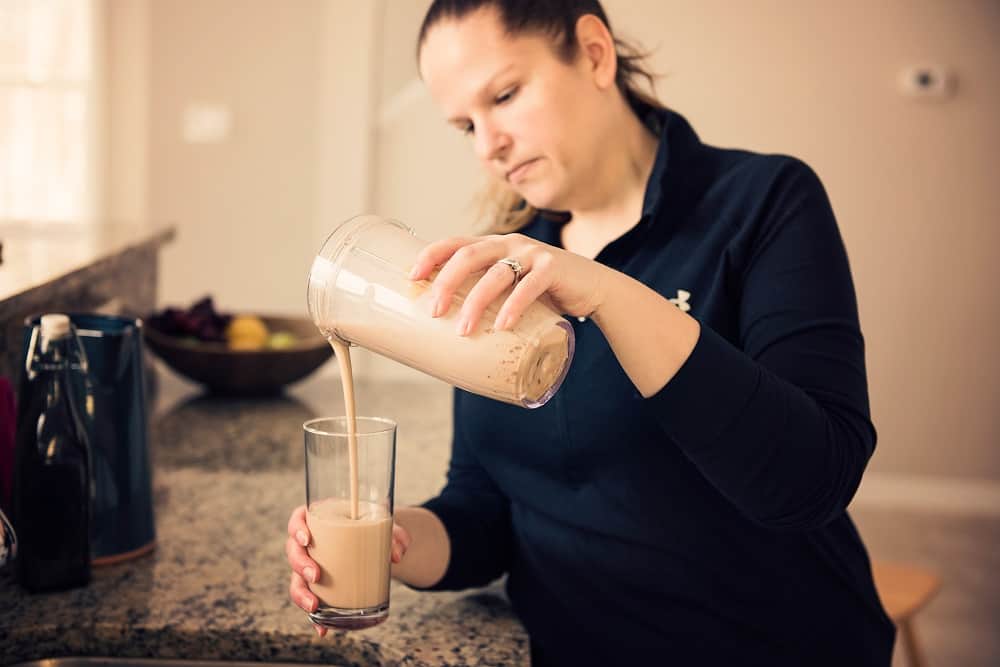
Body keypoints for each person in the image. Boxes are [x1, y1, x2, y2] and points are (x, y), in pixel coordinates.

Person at [286, 1, 895, 664]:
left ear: (596, 53)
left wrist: (607, 292)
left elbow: (812, 479)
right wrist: (395, 538)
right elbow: (486, 507)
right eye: (465, 124)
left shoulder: (765, 201)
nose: (487, 145)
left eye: (505, 95)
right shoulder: (506, 265)